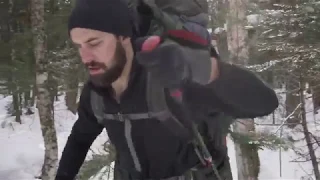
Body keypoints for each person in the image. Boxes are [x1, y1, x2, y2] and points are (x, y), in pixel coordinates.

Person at [55, 0, 279, 179]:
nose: (85, 57)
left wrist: (203, 68)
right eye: (79, 46)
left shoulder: (168, 72)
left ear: (123, 36)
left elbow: (264, 102)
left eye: (94, 43)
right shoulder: (97, 90)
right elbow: (81, 137)